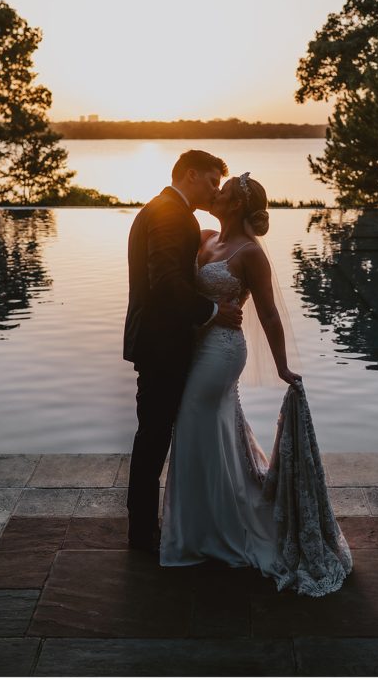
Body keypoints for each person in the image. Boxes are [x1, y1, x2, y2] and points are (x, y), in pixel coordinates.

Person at [159, 172, 352, 597]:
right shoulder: (204, 236)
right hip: (197, 347)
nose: (215, 192)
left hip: (223, 352)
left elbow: (267, 313)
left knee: (194, 424)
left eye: (223, 191)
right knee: (206, 431)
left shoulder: (250, 254)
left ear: (235, 206)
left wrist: (283, 366)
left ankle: (213, 533)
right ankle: (203, 524)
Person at [124, 150, 241, 552]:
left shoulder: (167, 209)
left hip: (162, 341)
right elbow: (166, 282)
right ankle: (142, 534)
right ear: (190, 174)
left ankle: (148, 526)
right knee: (154, 435)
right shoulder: (170, 214)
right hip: (160, 344)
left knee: (154, 434)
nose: (216, 189)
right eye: (212, 180)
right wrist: (214, 311)